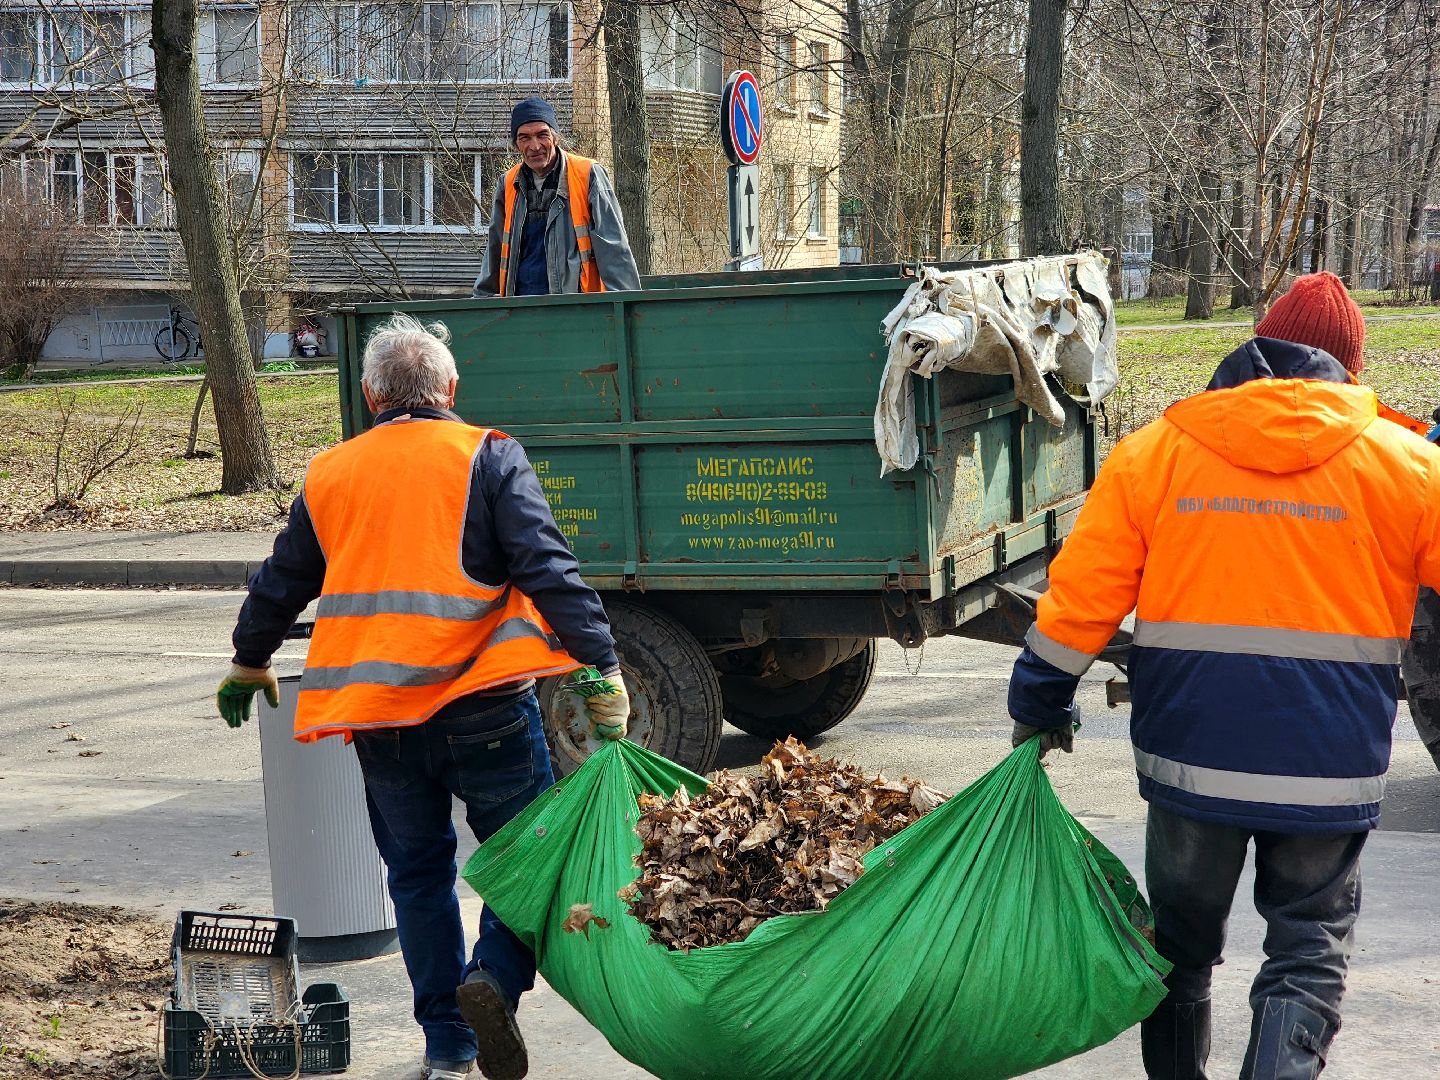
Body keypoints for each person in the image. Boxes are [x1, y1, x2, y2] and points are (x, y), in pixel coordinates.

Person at [1006, 271, 1440, 1079]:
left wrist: (1038, 695)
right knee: (1308, 951)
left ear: (1257, 345)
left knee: (1178, 945)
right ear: (1348, 367)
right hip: (1327, 769)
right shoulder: (1407, 466)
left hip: (1189, 761)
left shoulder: (1155, 455)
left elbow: (1083, 600)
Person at [215, 314, 631, 1080]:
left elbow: (281, 580)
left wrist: (248, 660)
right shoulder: (488, 456)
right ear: (451, 389)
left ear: (372, 394)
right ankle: (493, 981)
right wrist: (601, 665)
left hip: (383, 725)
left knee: (416, 879)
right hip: (487, 713)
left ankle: (447, 1046)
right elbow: (548, 567)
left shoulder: (330, 472)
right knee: (533, 863)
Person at [473, 96, 640, 297]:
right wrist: (481, 300)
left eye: (542, 135)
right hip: (519, 307)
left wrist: (626, 307)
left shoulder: (588, 174)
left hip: (575, 309)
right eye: (524, 137)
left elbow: (613, 248)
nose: (535, 146)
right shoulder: (508, 183)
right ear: (517, 144)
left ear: (555, 137)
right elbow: (495, 248)